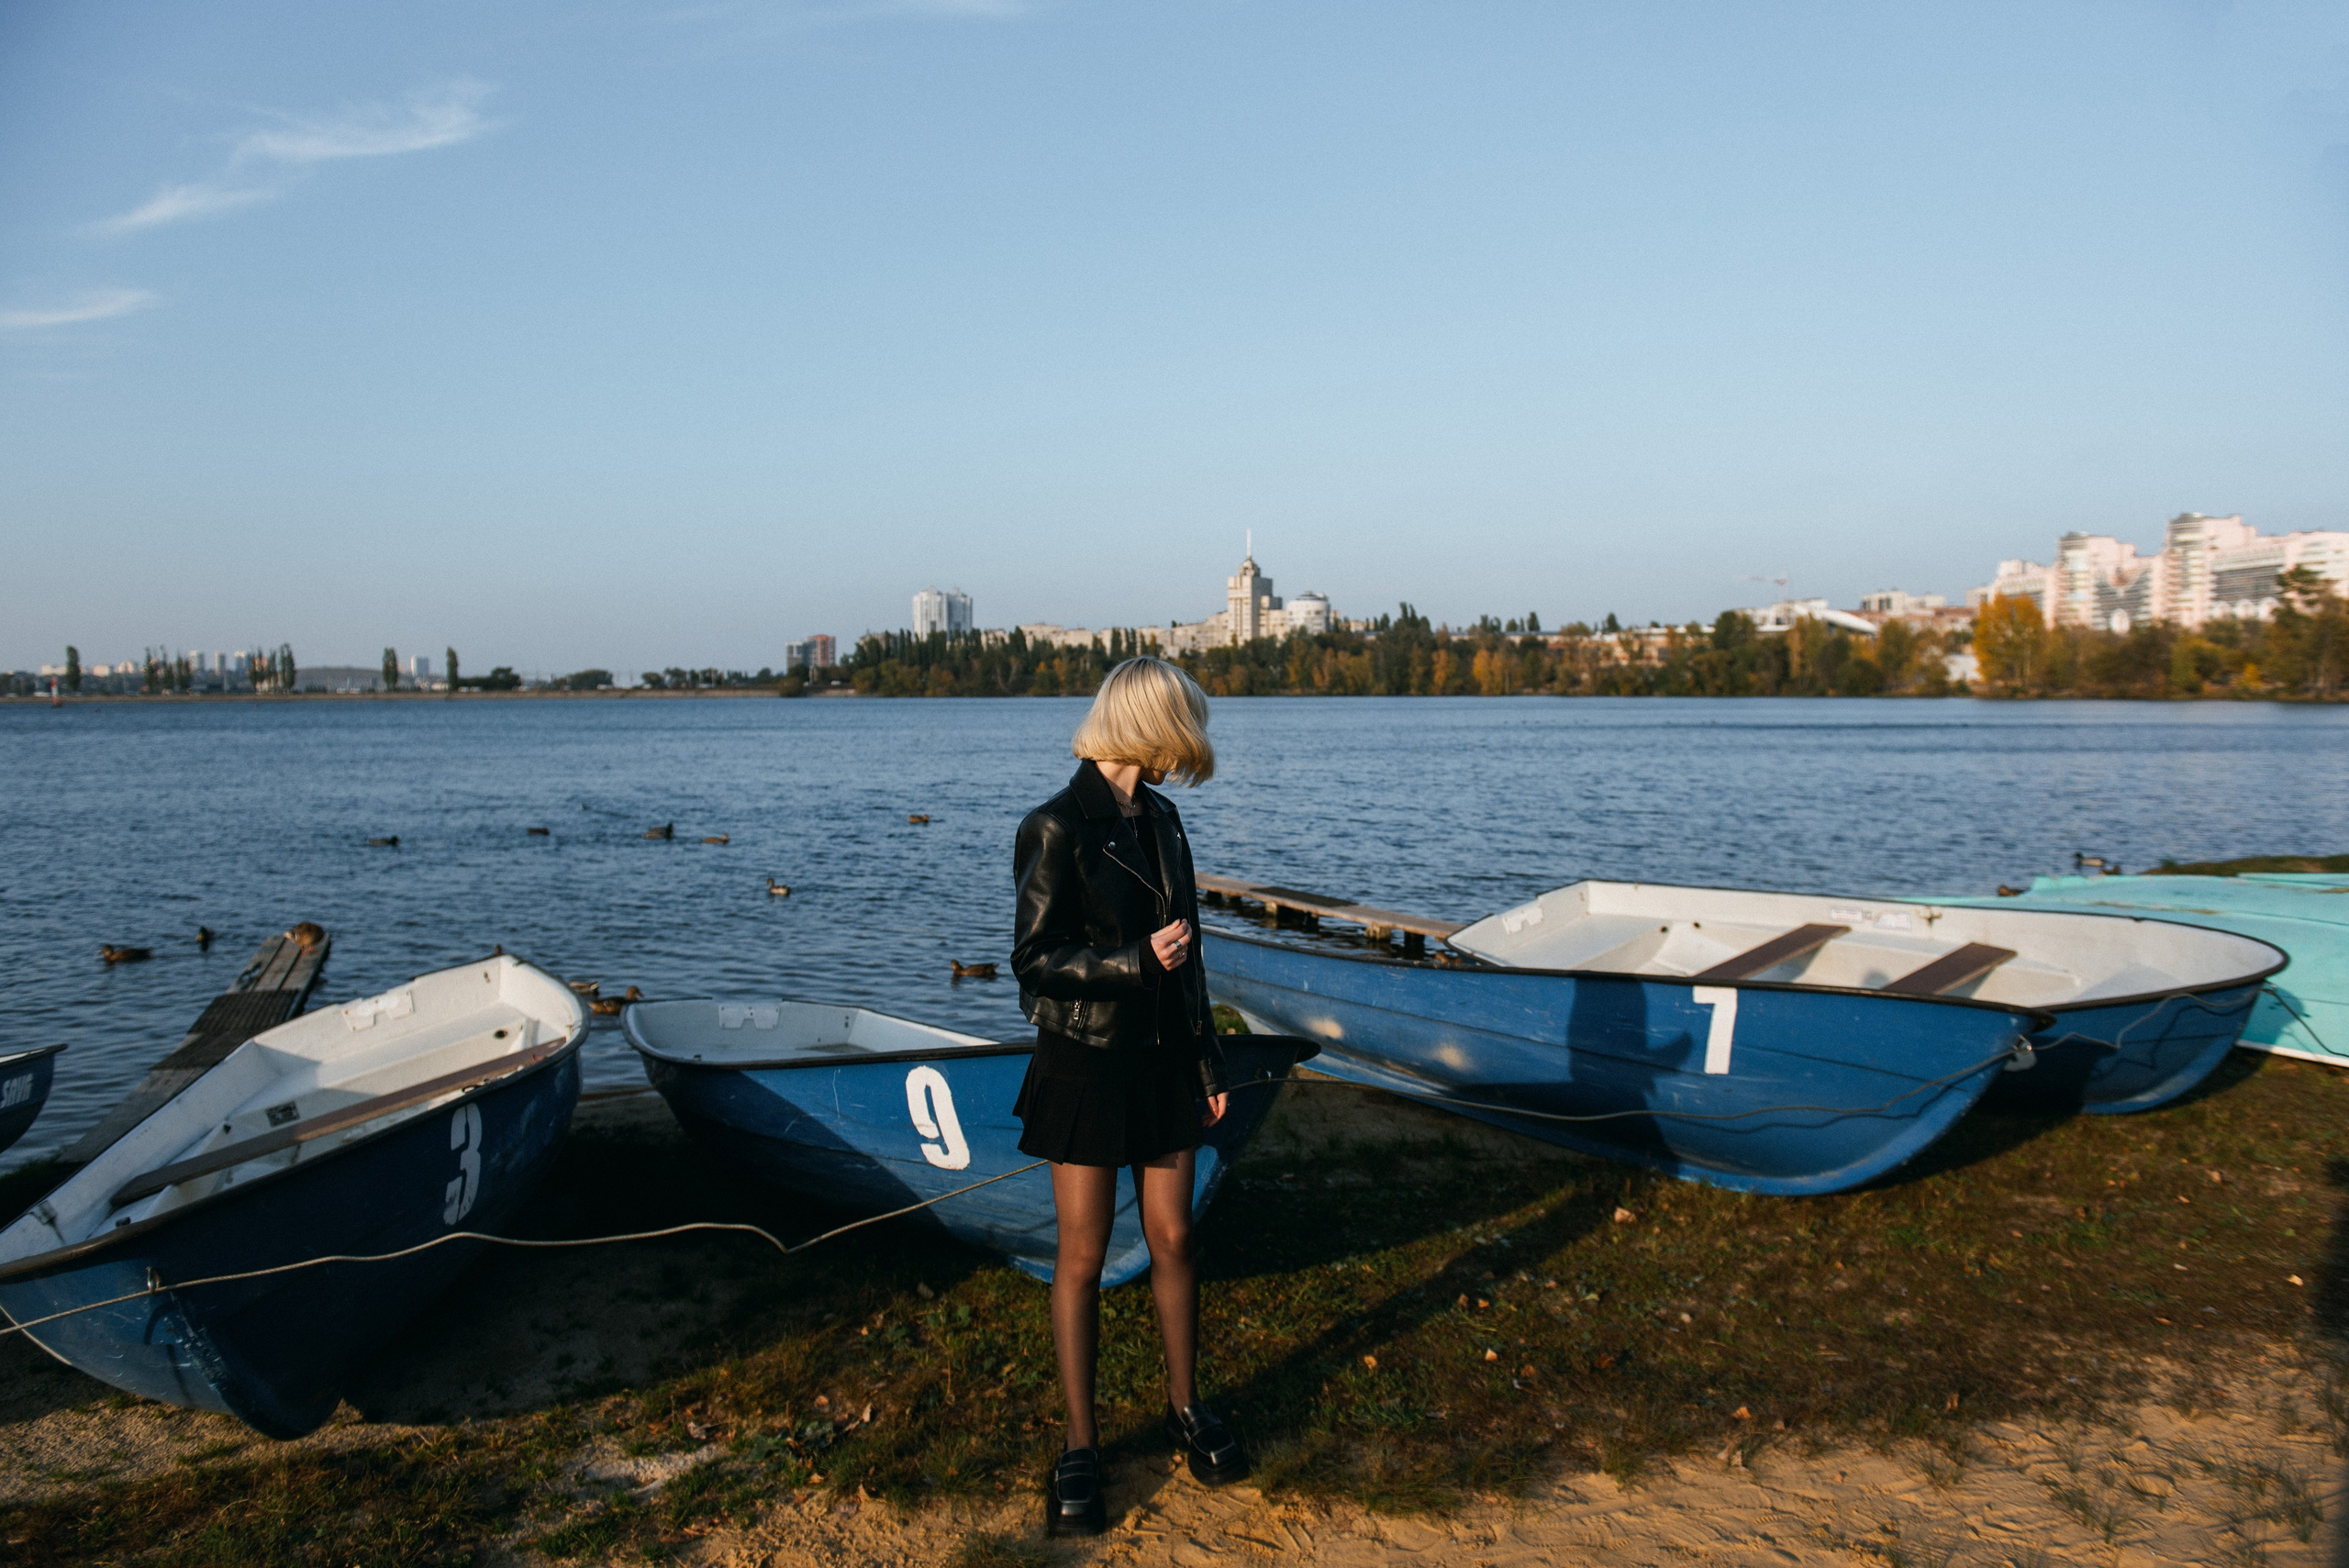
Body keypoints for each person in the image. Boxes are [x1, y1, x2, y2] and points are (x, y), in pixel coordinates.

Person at [1009, 656, 1250, 1537]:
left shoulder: (1165, 821)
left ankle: (1188, 1408)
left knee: (1175, 1234)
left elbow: (1191, 956)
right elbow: (1033, 962)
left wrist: (1207, 1064)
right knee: (1081, 1252)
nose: (1193, 747)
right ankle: (1081, 1445)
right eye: (1185, 724)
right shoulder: (1055, 826)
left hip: (1161, 1060)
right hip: (1083, 1058)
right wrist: (1133, 962)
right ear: (1151, 723)